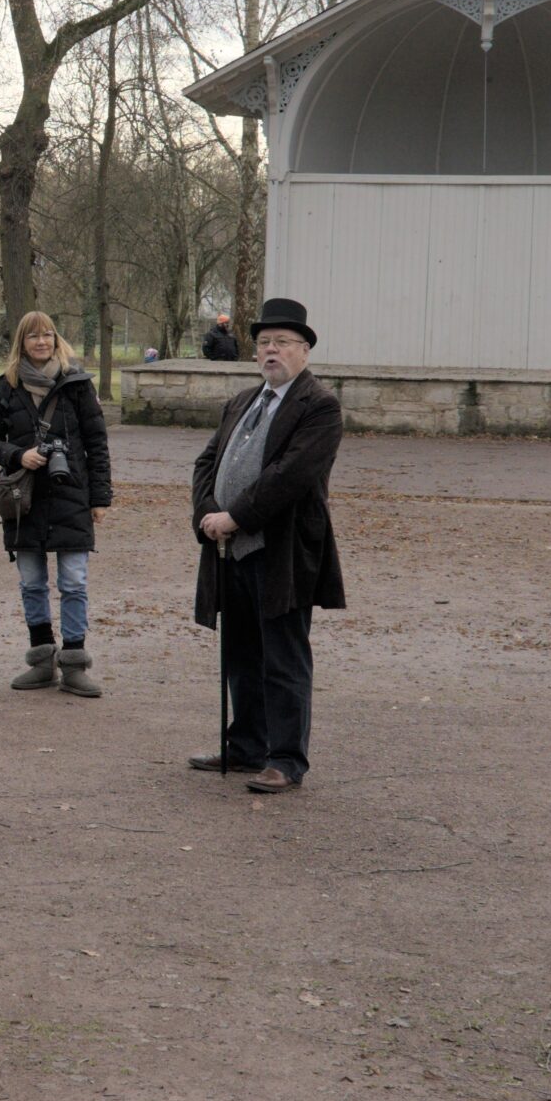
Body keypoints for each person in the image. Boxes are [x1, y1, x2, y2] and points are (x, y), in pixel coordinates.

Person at [188, 298, 346, 794]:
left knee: (283, 657)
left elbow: (290, 476)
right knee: (240, 653)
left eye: (282, 342)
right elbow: (206, 462)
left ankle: (285, 759)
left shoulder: (319, 406)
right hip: (230, 550)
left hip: (283, 553)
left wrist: (235, 516)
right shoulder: (242, 401)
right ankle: (247, 745)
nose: (271, 350)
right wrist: (207, 514)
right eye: (263, 343)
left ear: (304, 350)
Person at [0, 311, 115, 696]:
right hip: (24, 499)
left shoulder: (77, 384)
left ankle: (73, 663)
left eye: (47, 335)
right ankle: (42, 662)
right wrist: (18, 455)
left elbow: (97, 443)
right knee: (32, 583)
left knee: (74, 582)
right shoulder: (8, 386)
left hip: (71, 494)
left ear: (56, 340)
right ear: (21, 343)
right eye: (33, 336)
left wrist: (100, 497)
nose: (41, 342)